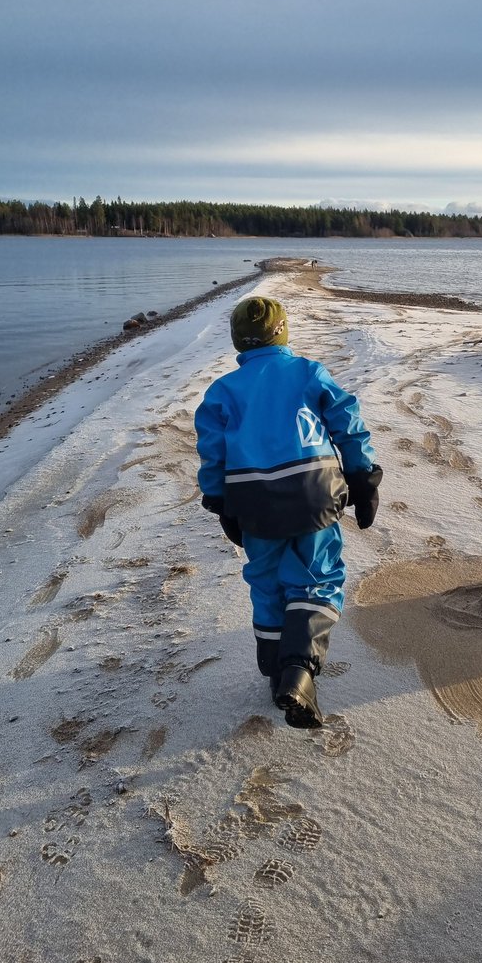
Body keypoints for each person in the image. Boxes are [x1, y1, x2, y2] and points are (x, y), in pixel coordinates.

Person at [195, 296, 382, 728]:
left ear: (239, 342)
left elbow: (212, 452)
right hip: (312, 492)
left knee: (265, 580)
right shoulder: (308, 372)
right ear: (283, 333)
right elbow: (346, 423)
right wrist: (363, 477)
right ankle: (299, 670)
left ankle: (276, 669)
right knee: (318, 578)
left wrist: (220, 500)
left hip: (253, 500)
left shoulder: (221, 392)